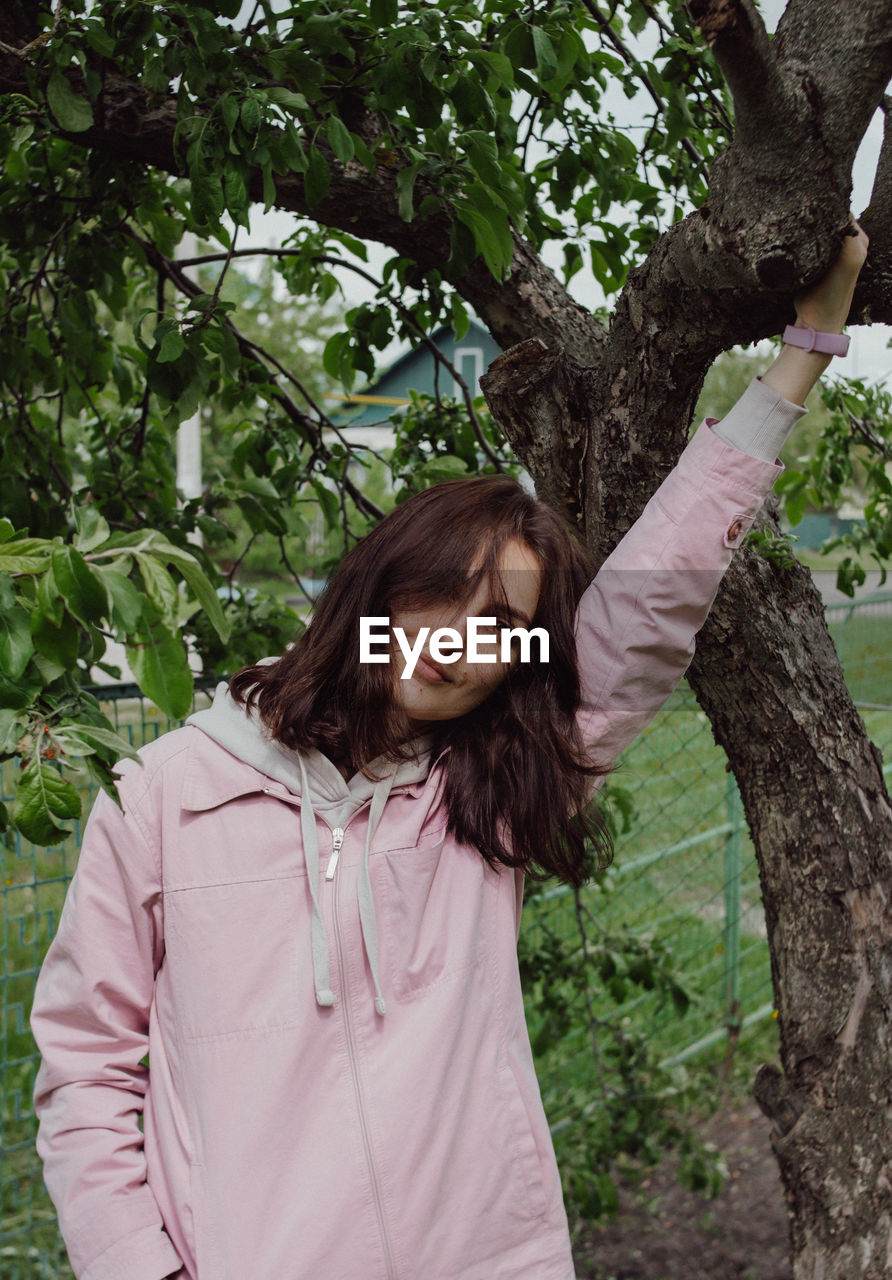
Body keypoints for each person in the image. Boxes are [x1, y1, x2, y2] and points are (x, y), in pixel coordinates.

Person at [30, 221, 868, 1280]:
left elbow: (659, 585)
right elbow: (84, 1070)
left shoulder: (487, 798)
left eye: (497, 626)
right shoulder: (164, 794)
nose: (451, 644)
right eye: (435, 599)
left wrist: (805, 350)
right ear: (377, 589)